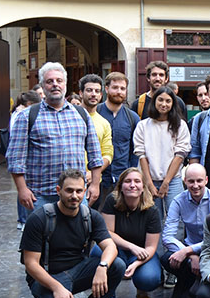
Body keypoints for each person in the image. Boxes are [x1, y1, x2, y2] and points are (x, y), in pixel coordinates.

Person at [19, 169, 124, 298]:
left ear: (85, 191)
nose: (74, 196)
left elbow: (110, 246)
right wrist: (57, 287)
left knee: (116, 266)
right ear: (58, 191)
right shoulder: (40, 218)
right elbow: (31, 264)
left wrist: (102, 267)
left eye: (79, 191)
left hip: (77, 271)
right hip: (47, 277)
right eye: (69, 190)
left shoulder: (91, 216)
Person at [7, 62, 104, 212]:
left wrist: (95, 185)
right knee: (42, 235)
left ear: (65, 84)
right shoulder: (27, 116)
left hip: (76, 195)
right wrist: (22, 189)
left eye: (59, 81)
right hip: (40, 196)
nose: (55, 85)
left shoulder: (81, 114)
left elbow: (95, 154)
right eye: (49, 81)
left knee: (78, 235)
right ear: (42, 86)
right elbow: (15, 158)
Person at [93, 167, 163, 298]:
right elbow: (107, 233)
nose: (132, 185)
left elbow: (151, 247)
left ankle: (142, 289)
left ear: (143, 187)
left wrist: (136, 263)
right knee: (98, 251)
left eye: (137, 181)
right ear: (121, 187)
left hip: (141, 254)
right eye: (128, 181)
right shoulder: (112, 200)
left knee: (149, 278)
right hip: (116, 250)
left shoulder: (152, 210)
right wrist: (131, 246)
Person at [160, 164, 210, 298]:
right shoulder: (178, 200)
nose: (195, 185)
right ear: (185, 181)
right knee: (166, 259)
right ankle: (187, 289)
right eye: (191, 181)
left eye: (199, 181)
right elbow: (167, 236)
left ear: (206, 180)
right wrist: (189, 254)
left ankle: (197, 292)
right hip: (189, 253)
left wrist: (189, 251)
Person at [133, 85, 191, 222]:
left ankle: (173, 245)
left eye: (168, 101)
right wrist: (148, 182)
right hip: (149, 180)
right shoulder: (143, 125)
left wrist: (166, 182)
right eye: (160, 100)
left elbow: (180, 155)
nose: (164, 104)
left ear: (173, 104)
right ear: (154, 101)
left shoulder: (180, 125)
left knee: (175, 219)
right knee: (152, 221)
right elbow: (142, 156)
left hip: (173, 181)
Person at [97, 72, 140, 207]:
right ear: (106, 89)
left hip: (123, 179)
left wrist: (130, 173)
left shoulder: (133, 117)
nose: (119, 92)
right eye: (115, 87)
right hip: (99, 178)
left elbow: (135, 150)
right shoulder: (95, 113)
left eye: (122, 88)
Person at [78, 74, 114, 208]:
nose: (93, 94)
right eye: (89, 90)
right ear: (81, 93)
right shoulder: (70, 117)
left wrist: (92, 174)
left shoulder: (104, 123)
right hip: (70, 181)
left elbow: (107, 154)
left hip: (93, 182)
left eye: (97, 91)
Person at [9, 90, 42, 231]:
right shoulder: (22, 116)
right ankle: (23, 220)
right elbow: (15, 147)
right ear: (30, 104)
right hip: (27, 163)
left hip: (29, 164)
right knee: (24, 191)